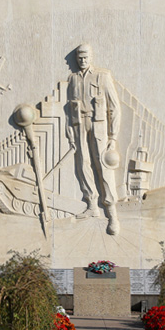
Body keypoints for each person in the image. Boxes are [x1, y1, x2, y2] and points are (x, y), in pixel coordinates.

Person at [65, 44, 121, 235]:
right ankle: (92, 205)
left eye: (85, 56)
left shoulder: (102, 76)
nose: (82, 60)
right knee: (83, 166)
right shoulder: (72, 79)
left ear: (91, 57)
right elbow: (69, 109)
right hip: (79, 126)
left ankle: (112, 214)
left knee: (103, 168)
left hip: (98, 126)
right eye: (79, 57)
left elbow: (114, 108)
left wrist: (113, 136)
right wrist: (69, 131)